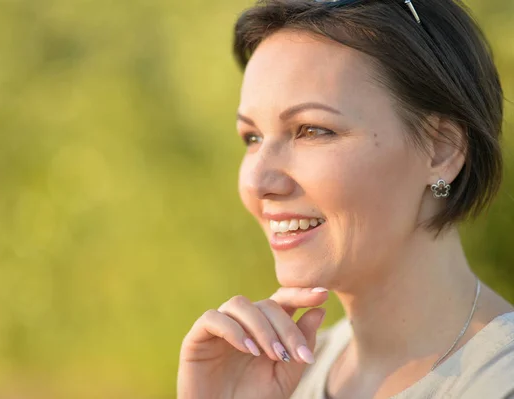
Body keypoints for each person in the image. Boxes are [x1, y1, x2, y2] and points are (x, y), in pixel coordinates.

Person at [176, 0, 514, 398]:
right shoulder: (281, 375)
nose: (257, 181)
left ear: (440, 150)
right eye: (252, 137)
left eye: (312, 130)